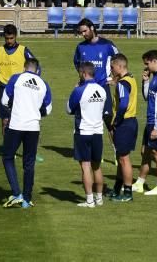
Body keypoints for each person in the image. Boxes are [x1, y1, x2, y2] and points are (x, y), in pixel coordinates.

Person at [1, 58, 52, 209]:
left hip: (16, 124)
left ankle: (17, 193)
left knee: (8, 157)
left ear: (24, 68)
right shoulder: (43, 84)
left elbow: (4, 100)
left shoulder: (16, 78)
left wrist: (15, 106)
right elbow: (48, 109)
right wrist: (35, 111)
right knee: (29, 164)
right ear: (37, 70)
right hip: (33, 127)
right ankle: (26, 199)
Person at [67, 62, 110, 208]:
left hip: (83, 131)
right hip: (98, 132)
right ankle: (99, 198)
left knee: (86, 166)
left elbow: (68, 109)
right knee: (97, 166)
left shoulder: (79, 90)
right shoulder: (102, 90)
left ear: (84, 73)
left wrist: (75, 90)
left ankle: (89, 200)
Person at [131, 50, 157, 196]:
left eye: (147, 64)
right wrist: (146, 81)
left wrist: (156, 128)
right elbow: (147, 97)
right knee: (145, 151)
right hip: (151, 121)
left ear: (154, 61)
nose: (146, 67)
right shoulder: (154, 78)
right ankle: (140, 183)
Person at [0, 24, 37, 135]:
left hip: (21, 90)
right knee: (5, 120)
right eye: (7, 38)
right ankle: (7, 149)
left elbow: (36, 66)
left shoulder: (23, 50)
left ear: (16, 36)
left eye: (11, 38)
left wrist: (31, 81)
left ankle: (26, 145)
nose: (9, 41)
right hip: (4, 89)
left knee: (24, 119)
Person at [107, 54, 138, 202]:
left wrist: (116, 121)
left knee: (124, 159)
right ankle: (117, 189)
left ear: (119, 66)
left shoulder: (123, 83)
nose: (111, 70)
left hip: (124, 123)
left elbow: (124, 103)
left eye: (112, 67)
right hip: (131, 122)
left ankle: (127, 193)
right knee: (120, 157)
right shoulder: (131, 79)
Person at [73, 18, 119, 87]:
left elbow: (119, 60)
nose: (83, 34)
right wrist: (82, 78)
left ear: (91, 28)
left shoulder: (107, 44)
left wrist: (115, 79)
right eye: (81, 32)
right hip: (86, 87)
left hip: (103, 86)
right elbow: (77, 64)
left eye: (85, 31)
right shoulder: (80, 47)